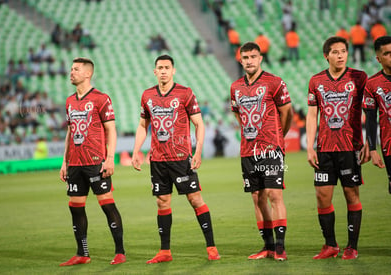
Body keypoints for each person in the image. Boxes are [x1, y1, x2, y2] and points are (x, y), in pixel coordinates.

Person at [131, 54, 220, 264]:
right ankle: (165, 251)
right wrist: (136, 151)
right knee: (162, 202)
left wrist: (198, 152)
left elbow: (199, 124)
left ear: (173, 71)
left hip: (181, 158)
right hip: (158, 160)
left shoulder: (185, 93)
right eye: (159, 68)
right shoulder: (147, 96)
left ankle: (211, 247)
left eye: (167, 67)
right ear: (155, 71)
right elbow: (143, 126)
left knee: (195, 199)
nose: (163, 71)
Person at [59, 57, 126, 266]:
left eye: (76, 69)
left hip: (96, 161)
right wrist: (64, 162)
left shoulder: (101, 98)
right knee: (75, 207)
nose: (71, 72)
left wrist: (110, 159)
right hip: (75, 163)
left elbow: (111, 130)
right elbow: (70, 132)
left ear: (87, 73)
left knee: (107, 204)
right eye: (71, 69)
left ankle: (120, 252)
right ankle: (82, 253)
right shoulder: (70, 101)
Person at [306, 36, 368, 260]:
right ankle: (330, 245)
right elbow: (312, 115)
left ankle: (352, 246)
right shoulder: (316, 81)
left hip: (349, 146)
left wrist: (369, 141)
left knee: (351, 194)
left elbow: (369, 111)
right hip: (324, 148)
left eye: (344, 51)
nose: (340, 55)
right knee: (322, 196)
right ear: (326, 55)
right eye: (335, 52)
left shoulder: (359, 78)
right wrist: (310, 146)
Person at [230, 42, 293, 261]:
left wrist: (277, 135)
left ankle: (280, 247)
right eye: (245, 57)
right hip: (248, 151)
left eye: (253, 56)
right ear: (241, 60)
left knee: (275, 194)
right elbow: (238, 114)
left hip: (271, 148)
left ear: (260, 58)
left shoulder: (274, 82)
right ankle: (267, 246)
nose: (249, 60)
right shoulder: (235, 87)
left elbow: (287, 113)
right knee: (257, 198)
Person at [362, 36, 391, 194]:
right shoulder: (372, 84)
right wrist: (372, 149)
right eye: (387, 53)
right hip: (389, 144)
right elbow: (371, 119)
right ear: (378, 58)